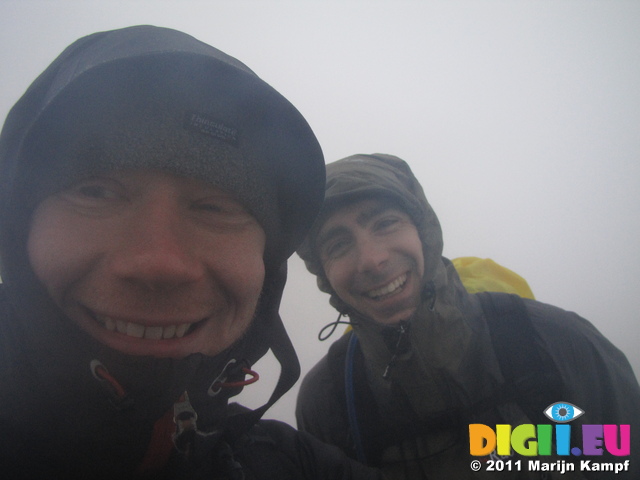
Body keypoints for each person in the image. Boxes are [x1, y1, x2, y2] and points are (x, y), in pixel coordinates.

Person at [0, 26, 384, 480]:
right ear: (20, 229)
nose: (160, 263)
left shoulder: (287, 464)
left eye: (215, 207)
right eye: (97, 192)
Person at [296, 153, 640, 479]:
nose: (371, 260)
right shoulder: (329, 401)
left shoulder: (558, 342)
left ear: (423, 230)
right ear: (324, 274)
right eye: (338, 245)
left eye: (386, 223)